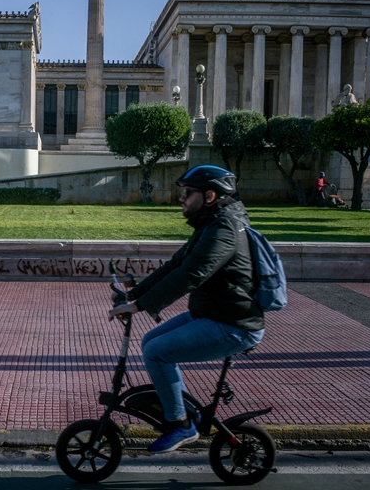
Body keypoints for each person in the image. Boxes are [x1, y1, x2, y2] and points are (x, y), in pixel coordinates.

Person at [108, 165, 264, 454]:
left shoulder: (224, 230)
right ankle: (183, 412)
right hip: (213, 314)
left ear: (209, 195)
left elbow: (191, 275)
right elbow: (175, 266)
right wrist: (134, 295)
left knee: (158, 352)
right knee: (150, 342)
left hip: (234, 325)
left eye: (187, 193)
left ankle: (180, 424)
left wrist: (140, 305)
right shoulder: (212, 224)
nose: (181, 198)